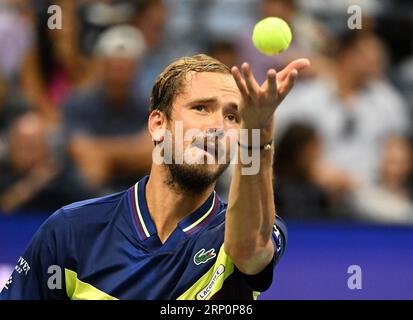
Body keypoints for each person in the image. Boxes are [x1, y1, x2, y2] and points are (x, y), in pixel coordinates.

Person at [0, 54, 309, 300]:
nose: (217, 127)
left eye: (232, 117)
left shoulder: (239, 229)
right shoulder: (70, 230)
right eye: (201, 108)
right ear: (158, 124)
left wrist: (257, 136)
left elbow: (249, 249)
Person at [63, 25, 152, 192]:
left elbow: (152, 153)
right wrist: (132, 152)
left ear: (137, 69)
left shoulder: (149, 105)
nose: (119, 74)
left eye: (125, 68)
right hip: (87, 194)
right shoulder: (78, 103)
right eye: (114, 67)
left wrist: (104, 155)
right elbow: (82, 153)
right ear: (101, 66)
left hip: (137, 189)